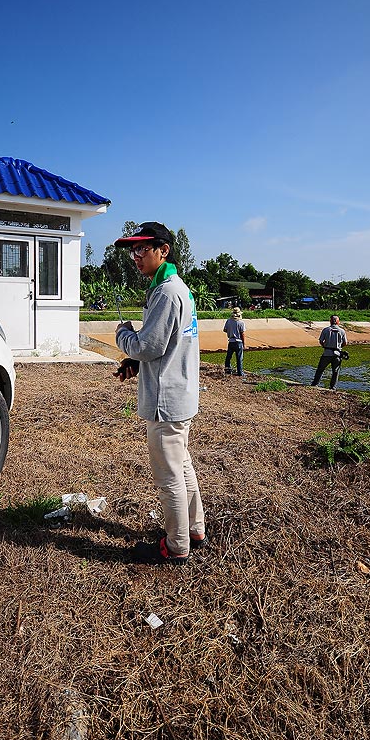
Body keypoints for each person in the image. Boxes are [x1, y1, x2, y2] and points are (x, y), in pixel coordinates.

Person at [113, 222, 206, 565]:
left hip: (165, 401)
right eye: (132, 250)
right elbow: (167, 347)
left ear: (163, 250)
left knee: (170, 477)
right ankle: (195, 530)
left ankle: (176, 545)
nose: (135, 256)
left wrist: (123, 336)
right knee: (182, 467)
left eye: (142, 249)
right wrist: (135, 363)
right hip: (178, 394)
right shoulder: (172, 288)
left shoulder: (167, 292)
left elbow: (148, 345)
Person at [311, 314, 348, 390]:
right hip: (337, 354)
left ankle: (315, 384)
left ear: (330, 321)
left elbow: (321, 341)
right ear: (338, 322)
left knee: (320, 369)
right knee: (335, 372)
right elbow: (345, 343)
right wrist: (339, 347)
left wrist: (325, 346)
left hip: (327, 353)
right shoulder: (342, 331)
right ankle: (333, 387)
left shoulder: (326, 330)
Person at [223, 307, 245, 376]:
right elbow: (242, 334)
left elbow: (225, 330)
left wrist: (231, 331)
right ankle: (240, 373)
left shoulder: (228, 321)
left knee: (228, 357)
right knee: (239, 358)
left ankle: (228, 371)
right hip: (238, 342)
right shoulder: (241, 322)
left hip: (231, 341)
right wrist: (244, 344)